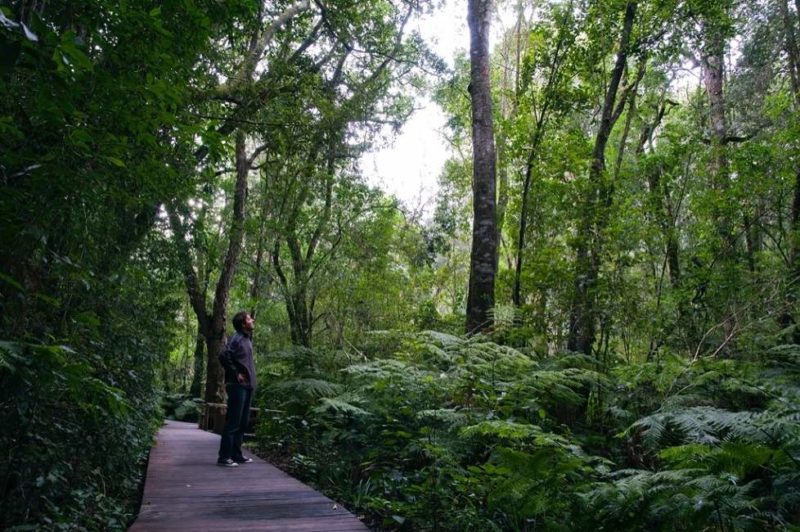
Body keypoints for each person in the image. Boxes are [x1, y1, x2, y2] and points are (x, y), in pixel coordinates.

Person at [217, 311, 257, 467]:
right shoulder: (237, 338)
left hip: (247, 387)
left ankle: (236, 454)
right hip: (237, 386)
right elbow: (223, 355)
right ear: (243, 324)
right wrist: (236, 373)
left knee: (243, 422)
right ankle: (224, 457)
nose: (252, 320)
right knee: (233, 422)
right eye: (249, 318)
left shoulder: (247, 339)